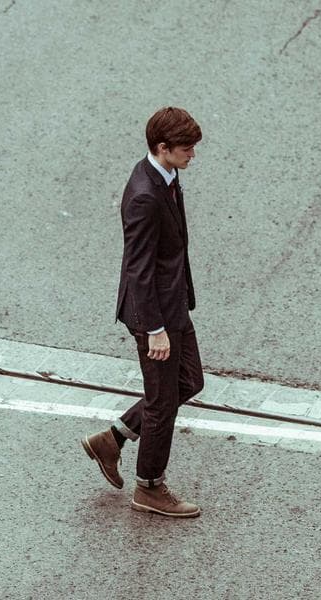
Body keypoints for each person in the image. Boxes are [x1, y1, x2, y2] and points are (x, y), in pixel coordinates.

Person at [82, 107, 205, 518]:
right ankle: (150, 487)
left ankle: (112, 439)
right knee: (161, 403)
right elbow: (138, 267)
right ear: (162, 148)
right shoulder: (144, 195)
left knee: (188, 381)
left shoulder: (166, 176)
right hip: (154, 315)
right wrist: (154, 329)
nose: (193, 155)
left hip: (172, 304)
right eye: (186, 148)